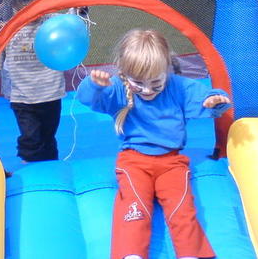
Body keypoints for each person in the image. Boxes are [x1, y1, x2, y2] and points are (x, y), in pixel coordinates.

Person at [77, 29, 231, 259]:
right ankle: (130, 253)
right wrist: (94, 85)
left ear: (167, 69)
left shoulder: (177, 86)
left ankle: (190, 253)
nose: (148, 90)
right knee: (134, 206)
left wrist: (214, 101)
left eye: (156, 83)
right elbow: (87, 99)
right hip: (134, 161)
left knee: (182, 208)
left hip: (172, 162)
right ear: (124, 73)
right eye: (138, 84)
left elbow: (206, 97)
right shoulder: (118, 88)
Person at [2, 0, 66, 162]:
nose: (33, 4)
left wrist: (80, 10)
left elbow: (72, 24)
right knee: (31, 137)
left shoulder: (51, 20)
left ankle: (51, 165)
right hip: (23, 97)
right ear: (14, 4)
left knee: (48, 136)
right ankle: (30, 164)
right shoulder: (10, 28)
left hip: (50, 93)